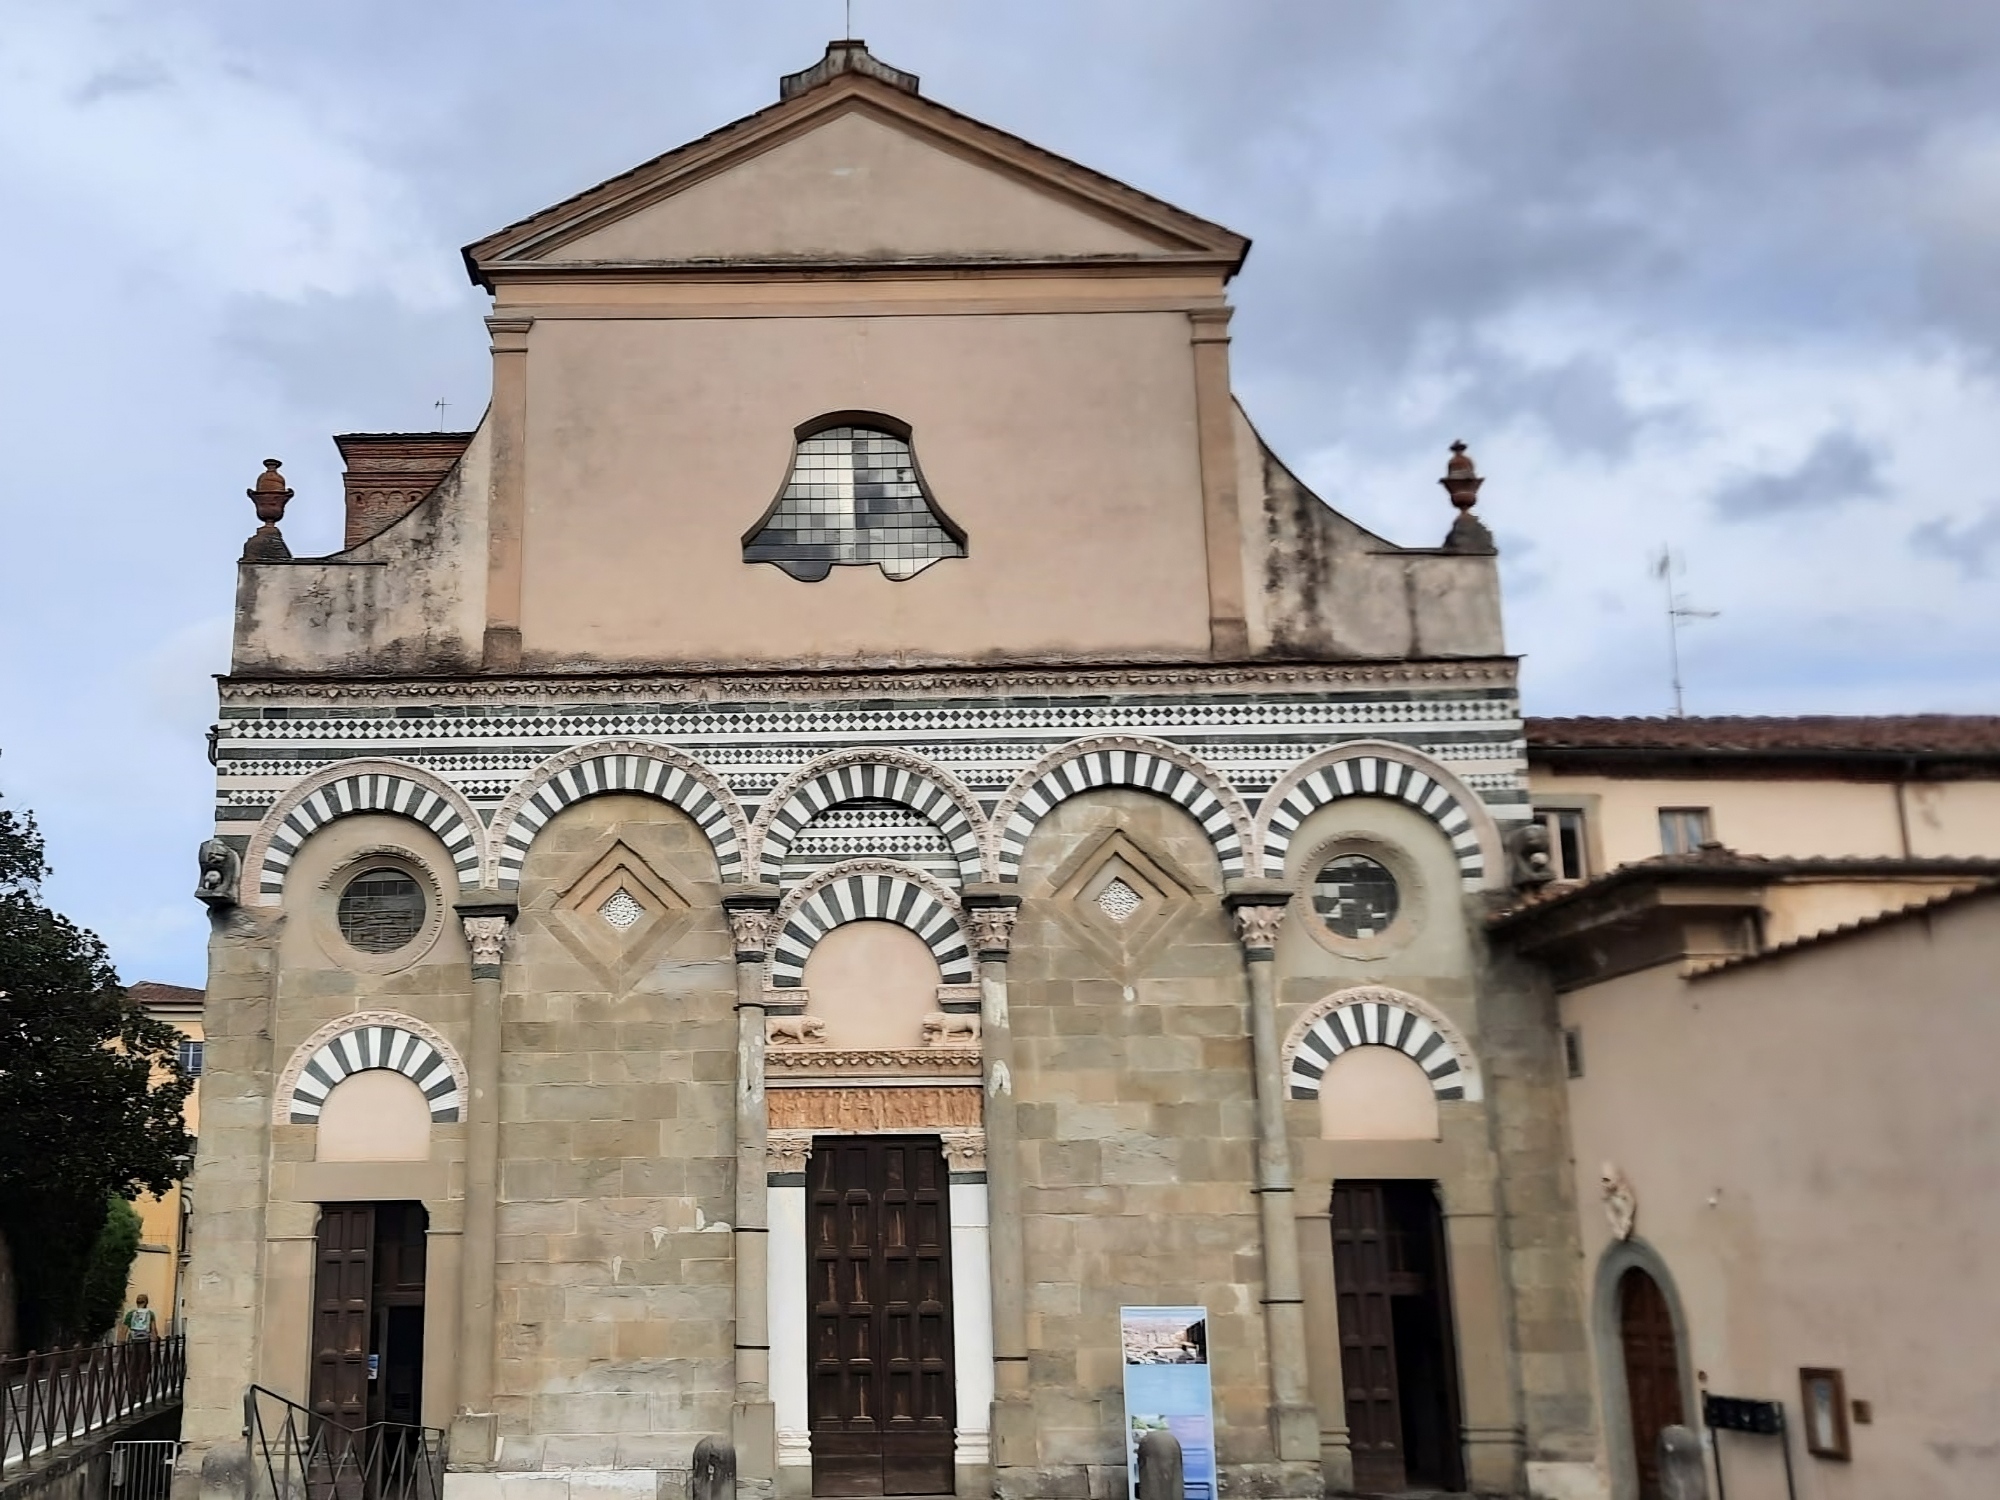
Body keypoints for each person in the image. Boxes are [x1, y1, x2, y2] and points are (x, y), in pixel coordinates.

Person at [121, 1294, 157, 1406]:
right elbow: (154, 1330)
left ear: (137, 1302)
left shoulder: (131, 1314)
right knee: (143, 1369)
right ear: (146, 1302)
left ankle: (132, 1393)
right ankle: (142, 1393)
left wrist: (120, 1344)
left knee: (132, 1368)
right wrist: (155, 1344)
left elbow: (124, 1330)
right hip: (144, 1343)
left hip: (133, 1343)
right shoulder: (150, 1314)